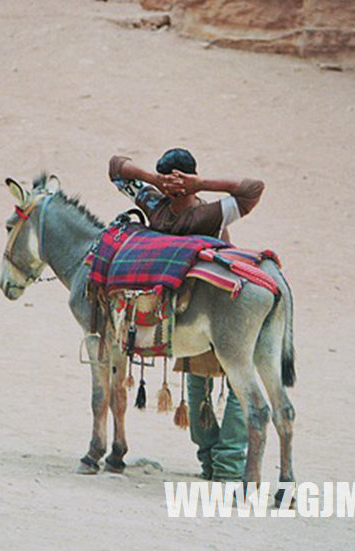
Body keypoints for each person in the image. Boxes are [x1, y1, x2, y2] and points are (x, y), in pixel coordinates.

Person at [108, 148, 264, 481]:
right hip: (186, 314)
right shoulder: (156, 203)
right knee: (197, 387)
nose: (176, 194)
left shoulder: (210, 214)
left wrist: (199, 183)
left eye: (182, 187)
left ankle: (227, 466)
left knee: (236, 384)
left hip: (225, 309)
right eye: (171, 187)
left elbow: (254, 188)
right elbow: (116, 168)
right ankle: (210, 464)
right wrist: (155, 181)